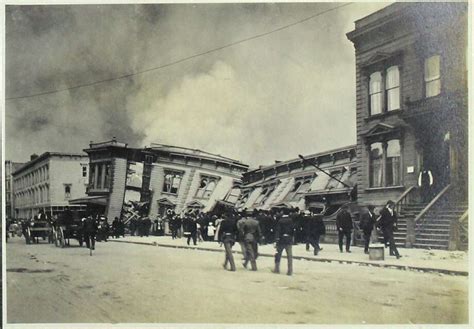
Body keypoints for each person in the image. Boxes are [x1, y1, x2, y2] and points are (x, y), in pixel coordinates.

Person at [273, 208, 295, 275]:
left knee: (278, 254)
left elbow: (278, 231)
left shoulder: (280, 221)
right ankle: (290, 270)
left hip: (281, 240)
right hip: (289, 239)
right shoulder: (291, 220)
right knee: (289, 256)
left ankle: (277, 269)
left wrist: (276, 239)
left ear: (282, 212)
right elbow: (293, 230)